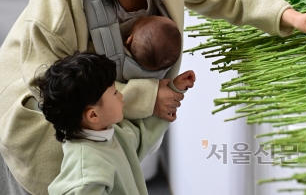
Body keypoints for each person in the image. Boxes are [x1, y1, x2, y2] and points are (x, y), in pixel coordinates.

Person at [0, 0, 306, 195]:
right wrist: (146, 96)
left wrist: (288, 15)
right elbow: (49, 84)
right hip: (47, 123)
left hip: (108, 122)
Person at [37, 51, 195, 195]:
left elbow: (142, 134)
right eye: (114, 92)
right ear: (93, 115)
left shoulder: (110, 133)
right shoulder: (86, 176)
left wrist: (174, 90)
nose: (121, 96)